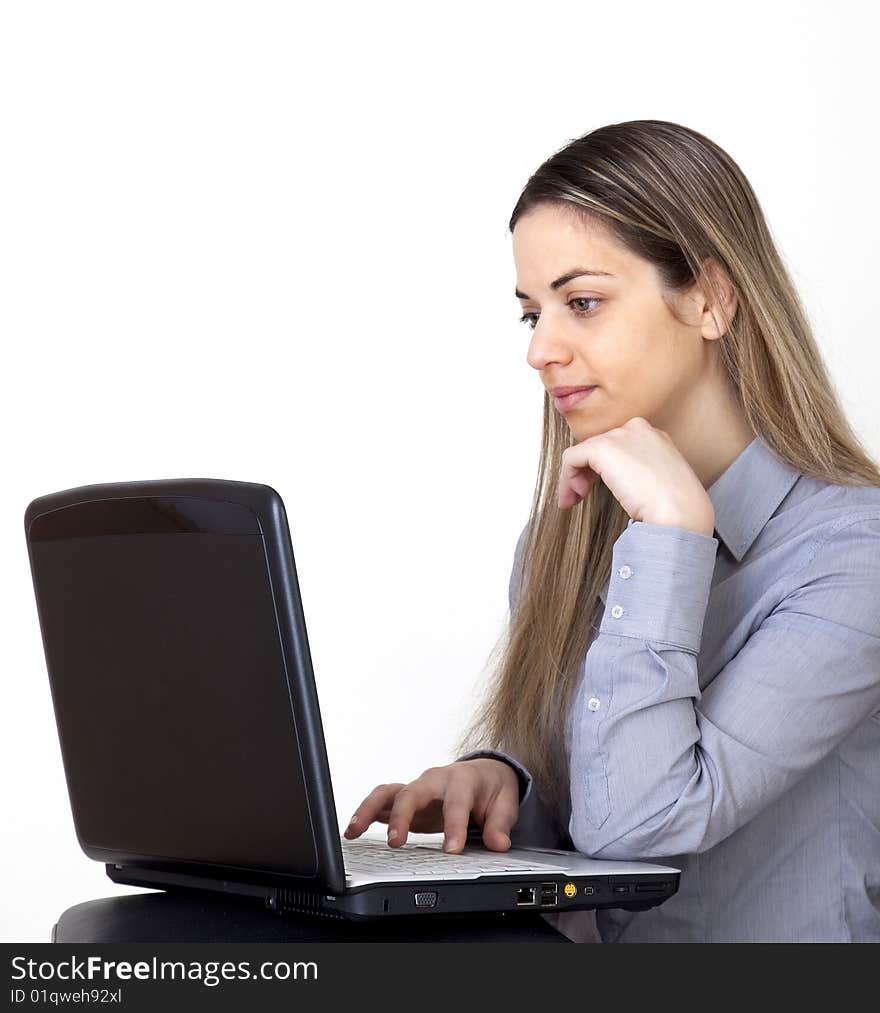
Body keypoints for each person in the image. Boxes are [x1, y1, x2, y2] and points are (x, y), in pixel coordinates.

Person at [345, 119, 880, 943]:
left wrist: (672, 535)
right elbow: (586, 811)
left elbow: (638, 833)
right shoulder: (559, 549)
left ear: (709, 298)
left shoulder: (854, 555)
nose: (542, 350)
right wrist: (505, 782)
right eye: (532, 315)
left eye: (582, 302)